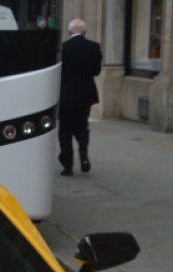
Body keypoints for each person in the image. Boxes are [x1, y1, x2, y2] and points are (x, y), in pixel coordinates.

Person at [58, 19, 102, 177]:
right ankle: (83, 151)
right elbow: (96, 71)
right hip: (86, 95)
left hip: (66, 96)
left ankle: (67, 165)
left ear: (70, 32)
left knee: (65, 130)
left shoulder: (63, 48)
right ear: (84, 32)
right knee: (82, 125)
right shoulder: (94, 47)